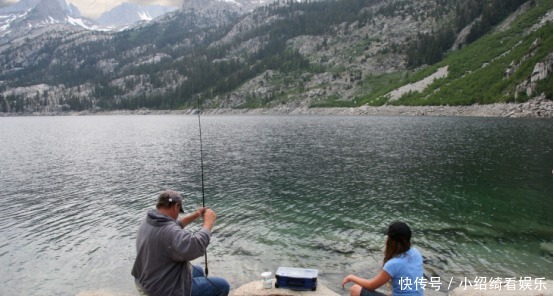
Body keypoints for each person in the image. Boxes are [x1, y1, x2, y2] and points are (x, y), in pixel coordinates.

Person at [132, 189, 230, 296]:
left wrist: (196, 215)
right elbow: (196, 246)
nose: (178, 214)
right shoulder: (169, 231)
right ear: (176, 206)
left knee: (198, 270)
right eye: (179, 211)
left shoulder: (149, 221)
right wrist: (208, 223)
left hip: (146, 282)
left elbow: (174, 224)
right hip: (163, 291)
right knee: (223, 286)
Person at [341, 221, 423, 296]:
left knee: (355, 290)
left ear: (391, 242)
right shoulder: (416, 253)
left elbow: (371, 286)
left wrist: (351, 277)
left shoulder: (394, 264)